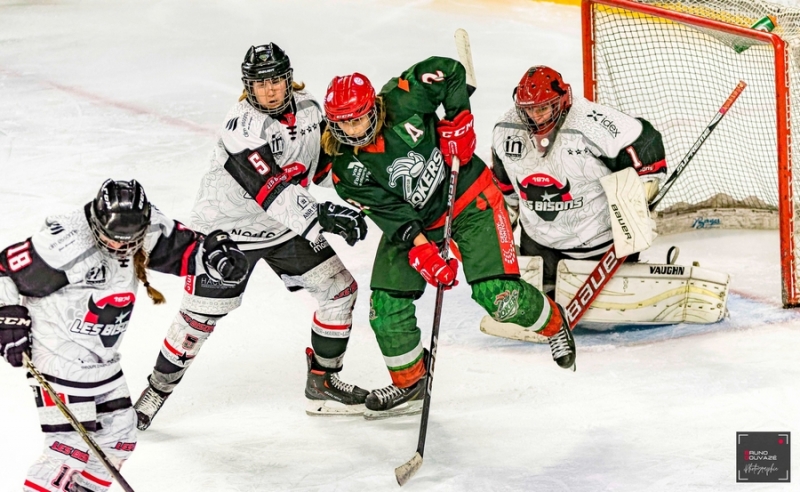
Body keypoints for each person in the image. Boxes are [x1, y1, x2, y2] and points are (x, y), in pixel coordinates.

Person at [320, 57, 576, 419]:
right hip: (420, 221)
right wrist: (423, 252)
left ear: (374, 105)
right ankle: (411, 382)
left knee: (498, 297)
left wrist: (458, 119)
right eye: (343, 122)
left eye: (359, 116)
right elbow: (396, 218)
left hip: (468, 197)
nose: (353, 128)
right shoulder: (347, 171)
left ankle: (554, 323)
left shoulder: (404, 96)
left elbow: (451, 70)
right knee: (385, 307)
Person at [133, 43, 370, 429]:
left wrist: (366, 191)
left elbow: (323, 167)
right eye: (261, 83)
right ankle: (155, 392)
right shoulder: (241, 128)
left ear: (288, 78)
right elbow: (271, 189)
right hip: (226, 236)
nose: (271, 90)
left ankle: (323, 384)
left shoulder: (310, 109)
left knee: (340, 291)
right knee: (196, 323)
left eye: (277, 80)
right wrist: (324, 215)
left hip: (283, 227)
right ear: (249, 86)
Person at [0, 179, 247, 492]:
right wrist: (7, 318)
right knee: (69, 447)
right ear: (98, 222)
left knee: (119, 438)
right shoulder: (66, 242)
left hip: (101, 357)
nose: (123, 246)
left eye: (131, 238)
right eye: (114, 238)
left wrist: (217, 259)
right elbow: (5, 270)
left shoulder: (147, 224)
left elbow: (183, 249)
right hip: (57, 355)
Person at [491, 66, 667, 295]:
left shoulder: (591, 124)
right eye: (529, 109)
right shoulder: (506, 129)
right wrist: (505, 220)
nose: (535, 116)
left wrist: (641, 200)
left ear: (561, 100)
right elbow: (506, 188)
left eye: (543, 108)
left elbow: (645, 142)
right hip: (539, 245)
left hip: (598, 248)